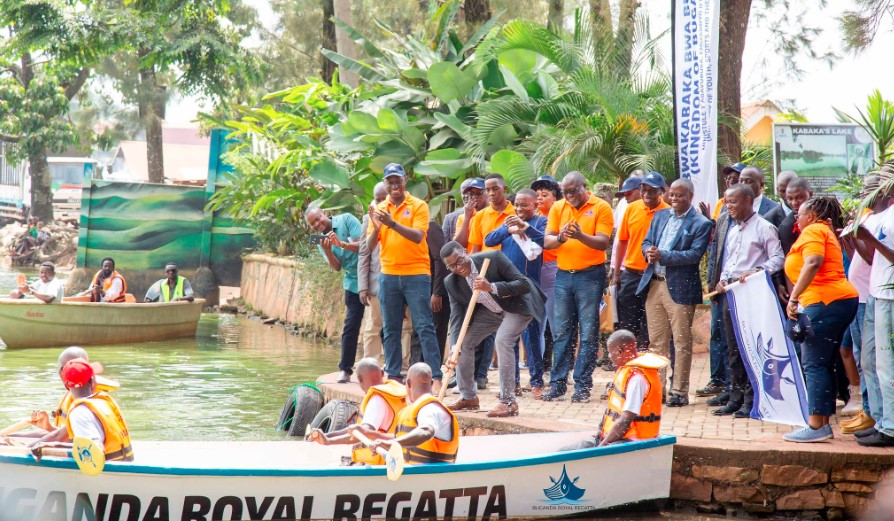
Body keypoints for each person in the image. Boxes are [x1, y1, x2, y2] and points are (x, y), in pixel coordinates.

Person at [782, 197, 858, 443]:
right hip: (837, 300)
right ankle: (822, 423)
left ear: (811, 216)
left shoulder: (814, 230)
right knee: (823, 363)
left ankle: (816, 426)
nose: (797, 218)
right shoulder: (824, 230)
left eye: (800, 214)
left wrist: (793, 299)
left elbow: (813, 262)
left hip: (824, 302)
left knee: (814, 363)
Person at [441, 243, 546, 417]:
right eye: (451, 266)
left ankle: (508, 402)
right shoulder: (451, 282)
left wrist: (491, 287)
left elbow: (523, 284)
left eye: (459, 261)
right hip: (491, 311)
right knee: (464, 344)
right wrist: (454, 347)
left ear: (465, 252)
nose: (458, 268)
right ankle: (468, 397)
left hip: (516, 306)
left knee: (502, 340)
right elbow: (457, 316)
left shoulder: (493, 259)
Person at [707, 184, 784, 418]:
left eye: (733, 202)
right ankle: (735, 397)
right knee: (733, 348)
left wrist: (758, 271)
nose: (728, 206)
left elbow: (778, 258)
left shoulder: (764, 227)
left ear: (748, 201)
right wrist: (721, 281)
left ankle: (751, 401)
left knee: (750, 346)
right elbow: (728, 262)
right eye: (726, 202)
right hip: (731, 294)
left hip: (752, 294)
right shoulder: (732, 229)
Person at [367, 163, 443, 390]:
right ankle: (393, 375)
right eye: (389, 182)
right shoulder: (381, 208)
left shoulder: (418, 206)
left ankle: (435, 376)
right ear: (385, 184)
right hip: (388, 275)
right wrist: (377, 226)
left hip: (416, 275)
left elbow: (418, 236)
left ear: (404, 180)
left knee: (424, 326)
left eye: (397, 180)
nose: (394, 185)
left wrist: (392, 223)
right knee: (390, 328)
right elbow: (370, 246)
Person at [639, 179, 713, 407]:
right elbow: (647, 241)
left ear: (690, 196)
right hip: (654, 284)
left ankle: (679, 392)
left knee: (681, 342)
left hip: (680, 288)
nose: (673, 200)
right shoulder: (660, 216)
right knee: (656, 343)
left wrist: (663, 255)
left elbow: (693, 255)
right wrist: (648, 252)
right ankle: (656, 390)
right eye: (671, 195)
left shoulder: (701, 223)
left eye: (679, 196)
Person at [542, 171, 614, 403]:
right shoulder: (558, 207)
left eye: (574, 191)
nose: (570, 196)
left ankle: (583, 386)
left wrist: (581, 235)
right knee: (562, 332)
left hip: (590, 276)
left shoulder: (601, 207)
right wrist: (562, 238)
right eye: (565, 192)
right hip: (563, 275)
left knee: (588, 332)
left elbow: (603, 242)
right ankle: (558, 384)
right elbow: (547, 241)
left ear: (585, 186)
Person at [560, 330, 668, 450]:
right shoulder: (626, 370)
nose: (609, 357)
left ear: (620, 352)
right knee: (563, 452)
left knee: (591, 455)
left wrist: (600, 448)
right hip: (615, 437)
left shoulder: (637, 379)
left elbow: (625, 422)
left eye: (610, 353)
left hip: (631, 441)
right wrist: (600, 437)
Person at [485, 188, 547, 396]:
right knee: (508, 339)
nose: (520, 209)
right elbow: (489, 240)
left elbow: (543, 241)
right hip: (508, 287)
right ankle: (513, 384)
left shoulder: (540, 223)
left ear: (535, 205)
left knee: (532, 337)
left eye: (525, 205)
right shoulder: (509, 223)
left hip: (530, 288)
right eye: (517, 205)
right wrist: (508, 230)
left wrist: (525, 228)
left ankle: (537, 381)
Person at [838, 176, 887, 435]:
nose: (864, 197)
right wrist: (847, 240)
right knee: (860, 356)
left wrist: (857, 236)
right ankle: (868, 410)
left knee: (869, 359)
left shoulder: (881, 220)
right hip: (858, 296)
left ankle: (874, 413)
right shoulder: (868, 217)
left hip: (870, 297)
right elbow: (855, 258)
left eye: (869, 192)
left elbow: (871, 257)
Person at [852, 184, 894, 447]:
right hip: (874, 293)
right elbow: (870, 257)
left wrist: (870, 239)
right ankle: (880, 419)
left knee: (886, 362)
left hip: (890, 296)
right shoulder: (880, 216)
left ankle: (890, 426)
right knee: (869, 359)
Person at [31, 358, 134, 462]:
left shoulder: (79, 413)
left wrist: (53, 446)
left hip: (108, 473)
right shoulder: (103, 402)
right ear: (93, 380)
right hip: (125, 463)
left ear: (66, 385)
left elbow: (96, 449)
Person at [307, 358, 407, 464]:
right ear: (382, 373)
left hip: (383, 461)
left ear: (359, 380)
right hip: (397, 453)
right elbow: (358, 430)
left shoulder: (376, 401)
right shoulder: (393, 391)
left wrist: (329, 441)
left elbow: (363, 434)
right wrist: (328, 435)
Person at [613, 171, 670, 352]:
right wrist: (616, 273)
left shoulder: (668, 212)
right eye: (643, 190)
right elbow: (622, 240)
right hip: (631, 273)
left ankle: (645, 369)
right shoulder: (632, 208)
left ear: (661, 191)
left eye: (651, 191)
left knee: (650, 325)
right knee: (627, 324)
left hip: (654, 276)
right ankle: (626, 367)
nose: (646, 194)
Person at [306, 205, 363, 384]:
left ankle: (391, 368)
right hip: (352, 282)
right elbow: (337, 267)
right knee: (350, 326)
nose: (317, 224)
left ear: (324, 213)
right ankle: (345, 369)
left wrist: (341, 244)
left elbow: (364, 246)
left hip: (370, 276)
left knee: (381, 325)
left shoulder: (346, 219)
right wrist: (329, 250)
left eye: (317, 219)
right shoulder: (319, 241)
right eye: (312, 224)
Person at [366, 362, 459, 464]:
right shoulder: (419, 409)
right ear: (431, 383)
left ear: (409, 383)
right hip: (410, 474)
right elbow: (405, 437)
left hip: (431, 475)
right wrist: (378, 438)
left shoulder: (429, 409)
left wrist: (390, 443)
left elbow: (426, 431)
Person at [22, 347, 120, 439]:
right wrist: (48, 427)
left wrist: (31, 447)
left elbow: (68, 437)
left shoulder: (85, 401)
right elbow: (65, 434)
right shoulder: (82, 392)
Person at [531, 174, 562, 371]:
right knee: (536, 325)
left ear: (555, 197)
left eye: (544, 194)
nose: (539, 197)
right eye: (537, 194)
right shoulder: (533, 217)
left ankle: (560, 370)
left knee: (556, 323)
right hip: (534, 271)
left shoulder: (559, 215)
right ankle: (538, 371)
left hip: (553, 270)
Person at [358, 182, 389, 363]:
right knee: (372, 327)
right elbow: (364, 253)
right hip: (375, 284)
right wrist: (363, 287)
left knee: (403, 328)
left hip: (399, 280)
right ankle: (371, 365)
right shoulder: (367, 219)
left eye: (384, 199)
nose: (381, 203)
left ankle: (401, 367)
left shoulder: (401, 217)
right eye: (377, 200)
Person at [468, 174, 514, 253]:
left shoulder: (516, 214)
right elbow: (475, 250)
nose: (491, 193)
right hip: (486, 263)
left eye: (495, 189)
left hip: (511, 264)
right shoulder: (480, 216)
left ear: (504, 189)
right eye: (488, 190)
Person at [777, 178, 814, 255]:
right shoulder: (787, 227)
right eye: (790, 199)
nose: (794, 203)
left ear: (810, 194)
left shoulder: (825, 213)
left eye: (799, 197)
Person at [452, 178, 488, 247]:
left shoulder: (492, 212)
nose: (474, 197)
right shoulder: (463, 217)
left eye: (478, 193)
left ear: (487, 194)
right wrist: (467, 218)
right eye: (471, 194)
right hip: (470, 257)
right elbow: (459, 246)